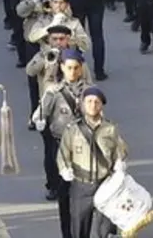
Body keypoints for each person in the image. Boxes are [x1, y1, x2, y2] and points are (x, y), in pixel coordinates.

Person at [57, 87, 128, 238]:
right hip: (81, 185)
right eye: (89, 101)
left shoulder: (110, 129)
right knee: (80, 229)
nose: (93, 105)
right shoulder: (73, 129)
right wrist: (65, 168)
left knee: (106, 230)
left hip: (105, 184)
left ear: (101, 105)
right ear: (83, 104)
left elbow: (120, 149)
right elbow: (63, 153)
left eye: (97, 102)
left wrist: (120, 162)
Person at [34, 49, 87, 233]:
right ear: (62, 68)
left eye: (76, 68)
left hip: (84, 146)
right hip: (61, 144)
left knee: (85, 193)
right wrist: (39, 121)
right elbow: (39, 113)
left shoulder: (88, 91)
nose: (72, 72)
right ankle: (67, 232)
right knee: (64, 191)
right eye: (69, 67)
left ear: (81, 69)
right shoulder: (53, 92)